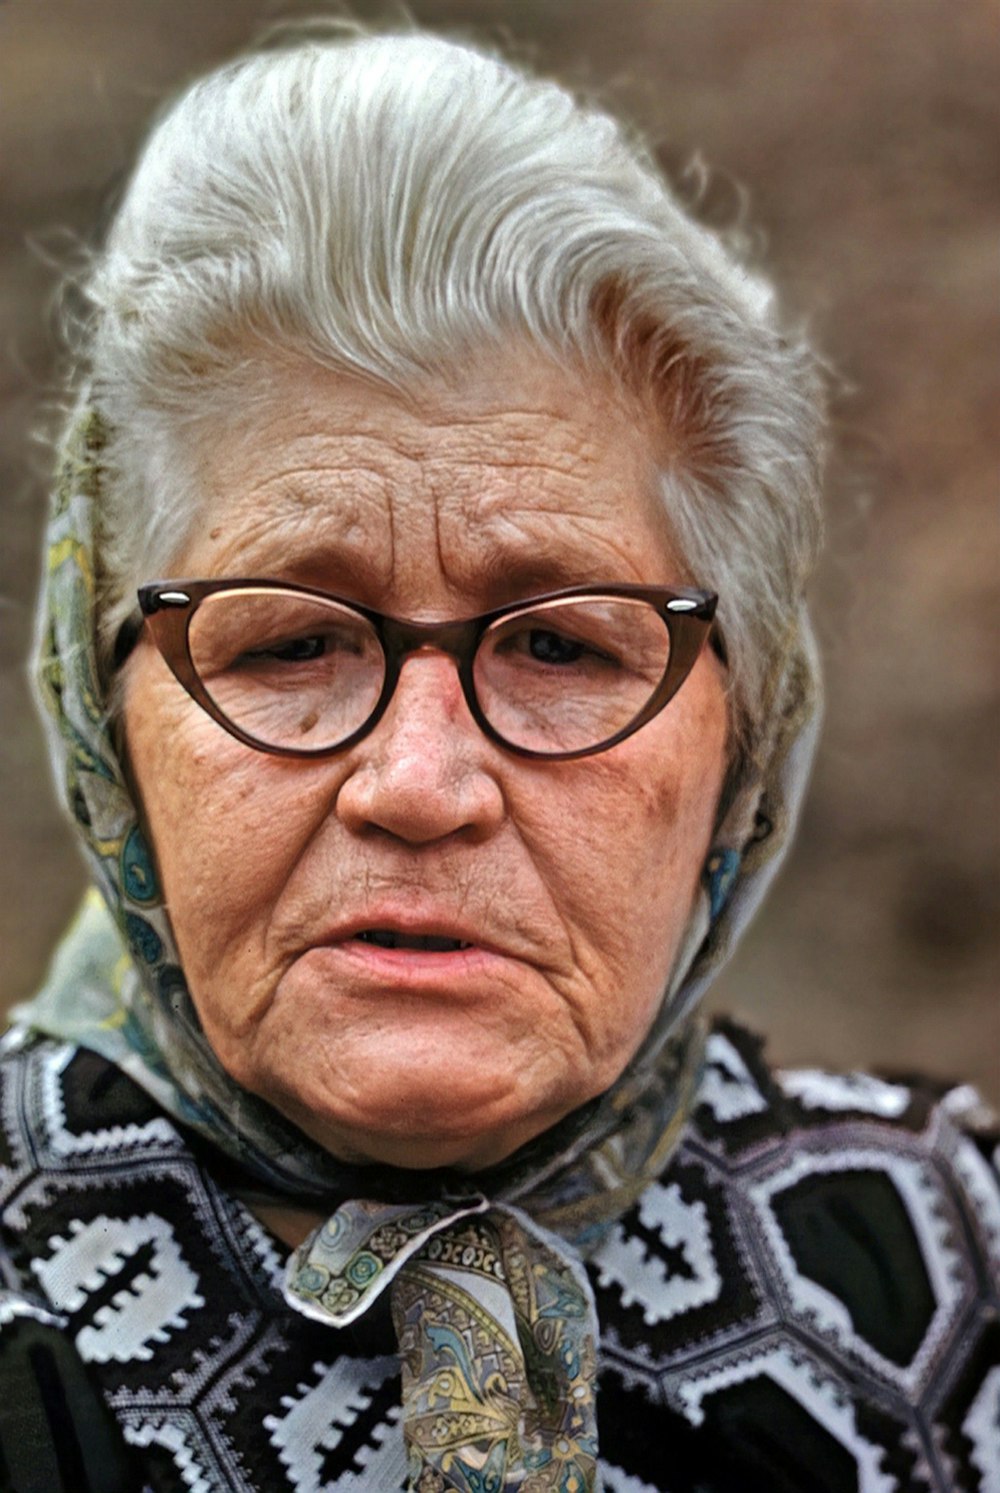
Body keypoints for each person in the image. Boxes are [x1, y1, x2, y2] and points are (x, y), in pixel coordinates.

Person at [1, 25, 996, 1493]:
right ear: (108, 719)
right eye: (288, 645)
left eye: (558, 649)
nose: (417, 782)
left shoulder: (946, 1274)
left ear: (746, 734)